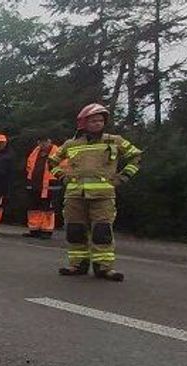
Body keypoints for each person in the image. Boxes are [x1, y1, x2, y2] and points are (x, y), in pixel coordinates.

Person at [49, 104, 141, 282]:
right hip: (75, 195)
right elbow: (52, 162)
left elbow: (136, 156)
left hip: (103, 196)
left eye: (100, 120)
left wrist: (124, 177)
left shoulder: (114, 141)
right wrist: (62, 177)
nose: (98, 124)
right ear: (83, 123)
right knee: (75, 230)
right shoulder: (71, 144)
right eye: (93, 121)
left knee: (102, 231)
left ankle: (104, 268)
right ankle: (77, 264)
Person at [23, 136, 61, 238]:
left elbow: (63, 166)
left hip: (50, 184)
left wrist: (56, 177)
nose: (43, 144)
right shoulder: (35, 151)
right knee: (33, 207)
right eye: (40, 142)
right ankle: (34, 229)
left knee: (47, 208)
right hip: (35, 183)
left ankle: (46, 230)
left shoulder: (57, 151)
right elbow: (29, 165)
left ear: (50, 141)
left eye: (45, 141)